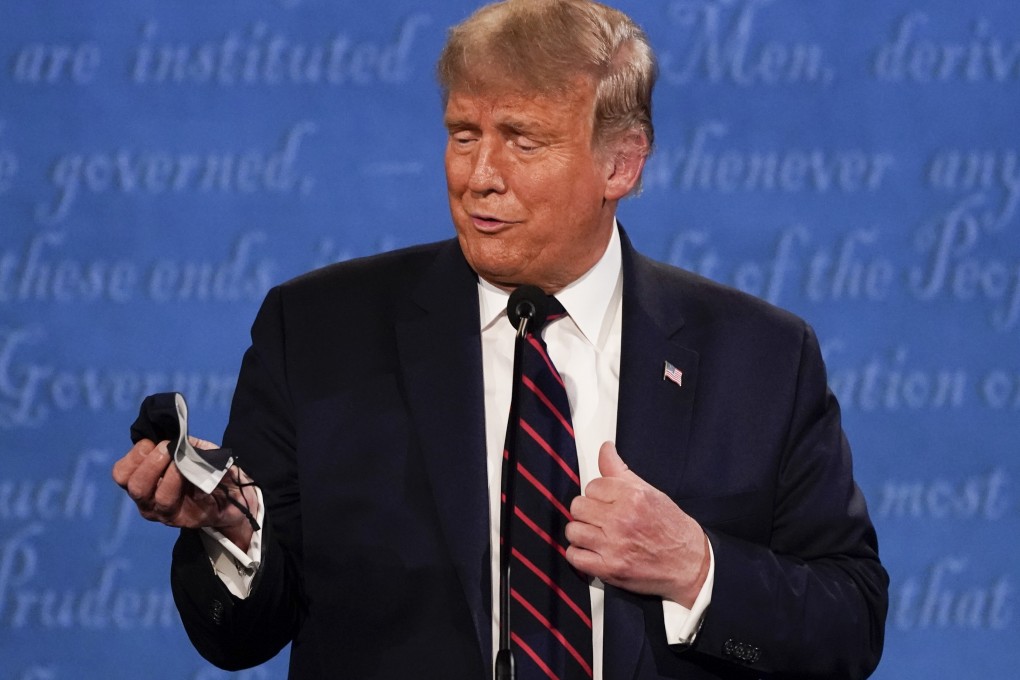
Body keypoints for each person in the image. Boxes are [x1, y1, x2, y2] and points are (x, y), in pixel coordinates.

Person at [112, 1, 888, 678]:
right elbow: (243, 637)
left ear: (623, 161)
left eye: (522, 139)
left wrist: (696, 570)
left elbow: (849, 624)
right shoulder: (318, 333)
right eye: (462, 134)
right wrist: (232, 538)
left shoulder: (760, 358)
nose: (479, 175)